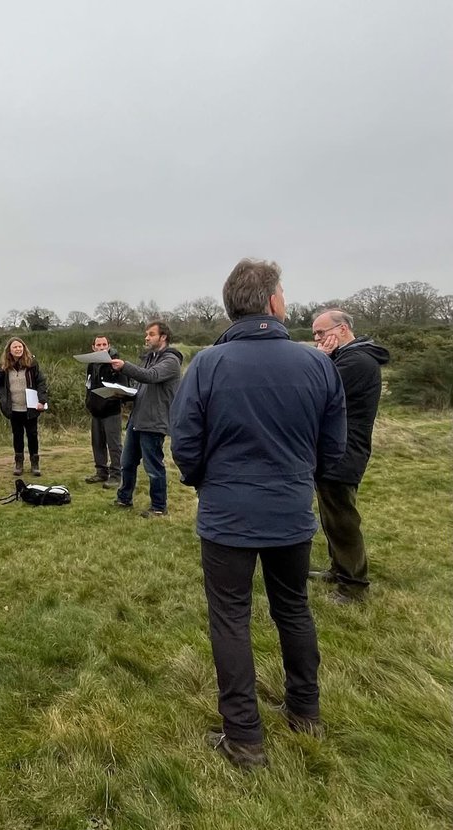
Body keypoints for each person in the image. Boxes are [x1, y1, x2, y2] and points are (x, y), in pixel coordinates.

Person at [171, 258, 345, 769]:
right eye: (283, 293)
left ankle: (245, 737)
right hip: (290, 509)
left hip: (227, 513)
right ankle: (304, 711)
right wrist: (299, 478)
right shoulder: (317, 364)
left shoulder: (207, 365)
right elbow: (332, 446)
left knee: (231, 618)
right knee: (293, 607)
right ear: (271, 302)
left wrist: (205, 482)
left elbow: (185, 442)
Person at [309, 309, 390, 604]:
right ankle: (339, 570)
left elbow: (318, 391)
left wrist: (321, 359)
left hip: (344, 450)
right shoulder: (347, 357)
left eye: (321, 332)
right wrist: (327, 357)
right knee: (332, 515)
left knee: (342, 519)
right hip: (336, 448)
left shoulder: (357, 361)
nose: (317, 339)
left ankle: (353, 586)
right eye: (314, 334)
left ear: (342, 329)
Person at [109, 322, 182, 515]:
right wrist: (124, 395)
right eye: (146, 334)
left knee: (153, 467)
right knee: (127, 463)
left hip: (154, 421)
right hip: (137, 419)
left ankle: (158, 507)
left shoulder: (171, 361)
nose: (146, 338)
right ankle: (124, 499)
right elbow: (142, 387)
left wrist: (124, 366)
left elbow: (151, 376)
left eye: (151, 334)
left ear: (163, 337)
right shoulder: (149, 358)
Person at [0, 337, 48, 477]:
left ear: (24, 348)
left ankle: (35, 463)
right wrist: (1, 398)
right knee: (17, 435)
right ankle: (19, 463)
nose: (18, 349)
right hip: (14, 408)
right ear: (9, 350)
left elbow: (41, 382)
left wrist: (42, 400)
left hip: (30, 407)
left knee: (32, 435)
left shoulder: (32, 364)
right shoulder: (2, 367)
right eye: (15, 347)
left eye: (20, 347)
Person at [83, 335, 128, 484]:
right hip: (96, 410)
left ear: (109, 346)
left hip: (111, 410)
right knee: (97, 443)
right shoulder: (91, 364)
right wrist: (88, 402)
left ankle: (116, 475)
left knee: (114, 445)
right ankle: (101, 472)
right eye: (98, 345)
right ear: (93, 347)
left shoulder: (116, 363)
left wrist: (113, 398)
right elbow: (88, 385)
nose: (101, 347)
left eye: (104, 344)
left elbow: (124, 386)